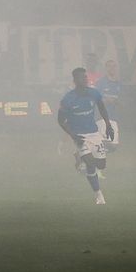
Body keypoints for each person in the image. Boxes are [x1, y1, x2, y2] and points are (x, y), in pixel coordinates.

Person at [57, 67, 114, 205]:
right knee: (90, 164)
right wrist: (73, 136)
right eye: (83, 78)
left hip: (94, 134)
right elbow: (60, 120)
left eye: (86, 77)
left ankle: (80, 157)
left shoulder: (94, 93)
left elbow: (101, 107)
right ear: (75, 80)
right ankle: (99, 195)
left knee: (101, 165)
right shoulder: (68, 99)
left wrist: (108, 124)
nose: (86, 79)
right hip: (79, 136)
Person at [97, 59, 122, 151]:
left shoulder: (118, 83)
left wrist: (117, 102)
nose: (112, 68)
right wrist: (107, 100)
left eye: (114, 66)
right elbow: (97, 99)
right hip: (103, 117)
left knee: (113, 146)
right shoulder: (101, 82)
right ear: (106, 68)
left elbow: (120, 100)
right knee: (104, 143)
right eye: (109, 66)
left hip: (114, 117)